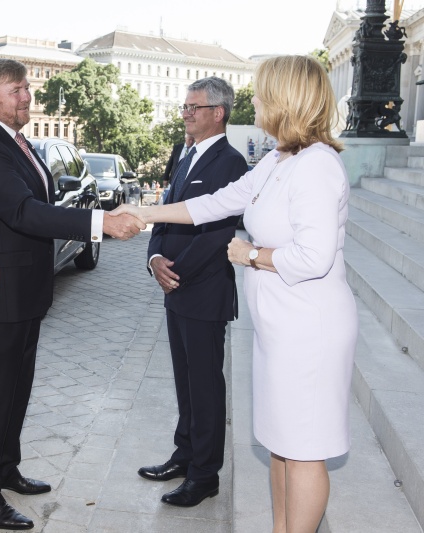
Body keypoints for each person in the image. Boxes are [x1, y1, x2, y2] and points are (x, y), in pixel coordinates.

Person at [114, 55, 357, 531]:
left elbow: (314, 257)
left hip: (309, 332)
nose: (258, 103)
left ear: (287, 99)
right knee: (283, 447)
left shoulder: (317, 167)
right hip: (280, 330)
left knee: (304, 450)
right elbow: (217, 203)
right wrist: (147, 214)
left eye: (264, 94)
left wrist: (249, 254)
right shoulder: (278, 159)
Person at [0, 57, 145, 530]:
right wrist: (100, 223)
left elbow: (42, 201)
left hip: (25, 293)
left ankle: (4, 469)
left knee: (16, 391)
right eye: (16, 89)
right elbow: (24, 212)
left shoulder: (17, 142)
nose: (26, 96)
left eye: (26, 88)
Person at [134, 77, 247, 508]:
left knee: (204, 386)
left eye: (193, 108)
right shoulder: (185, 155)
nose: (185, 114)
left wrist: (175, 271)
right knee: (184, 382)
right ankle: (185, 454)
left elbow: (218, 231)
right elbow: (164, 213)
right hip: (175, 287)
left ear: (218, 113)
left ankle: (204, 475)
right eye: (184, 107)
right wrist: (153, 259)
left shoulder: (230, 162)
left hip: (202, 291)